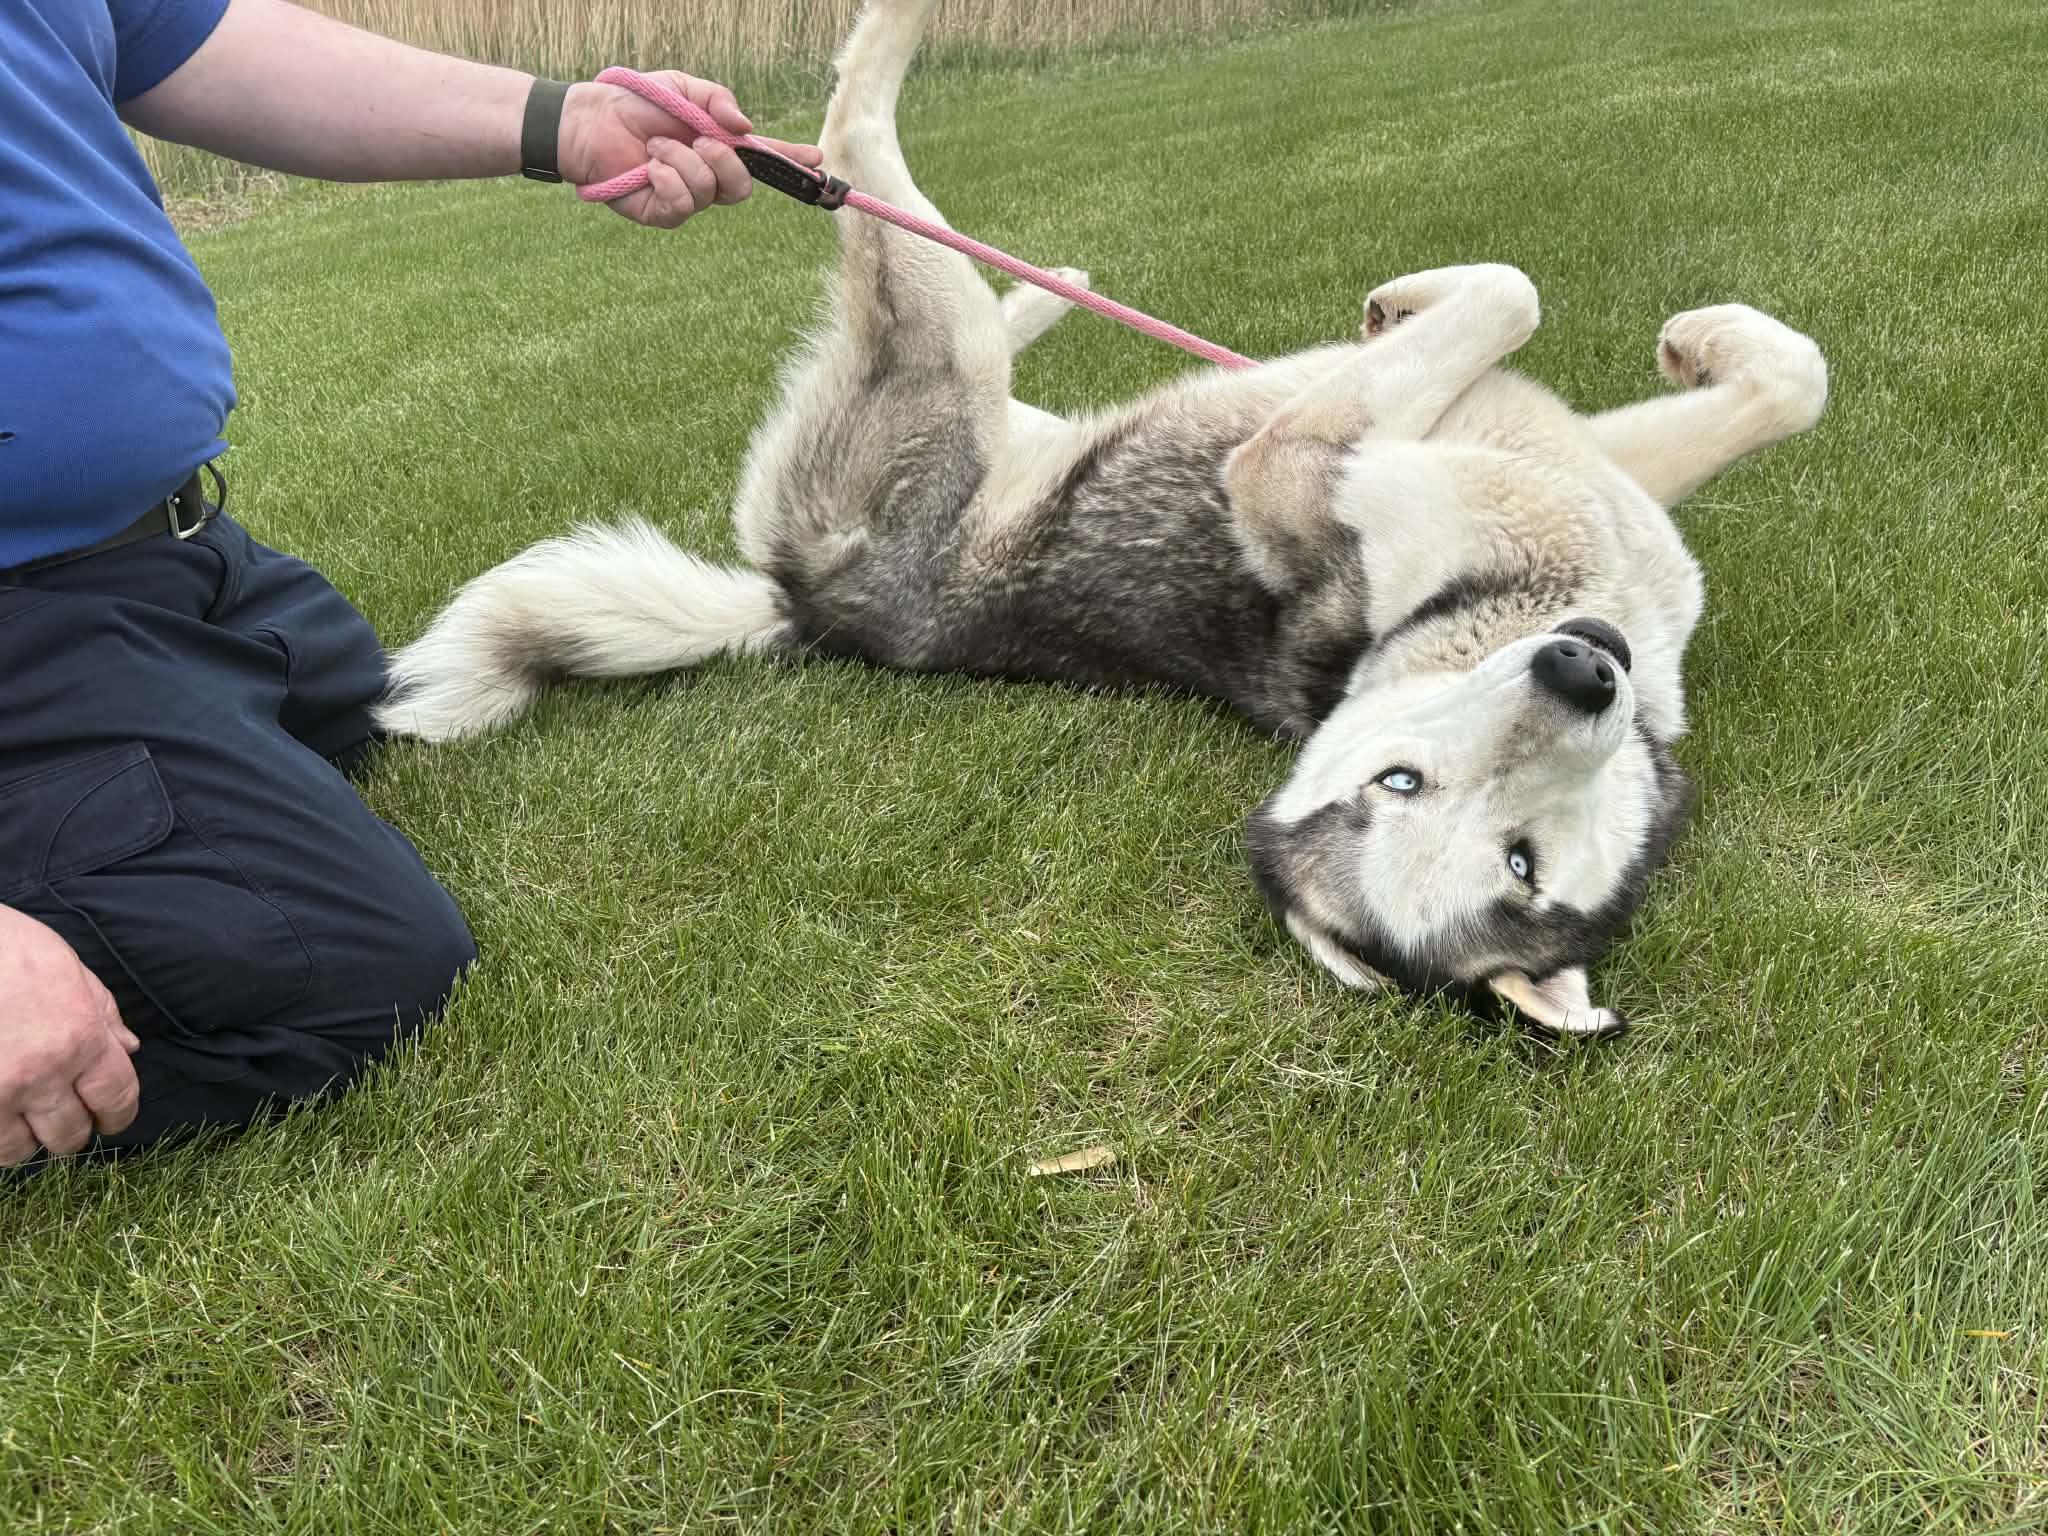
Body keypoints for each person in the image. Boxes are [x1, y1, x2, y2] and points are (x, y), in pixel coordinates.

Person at [0, 0, 820, 1167]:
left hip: (163, 557)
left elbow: (199, 45)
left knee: (353, 699)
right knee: (351, 970)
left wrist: (571, 119)